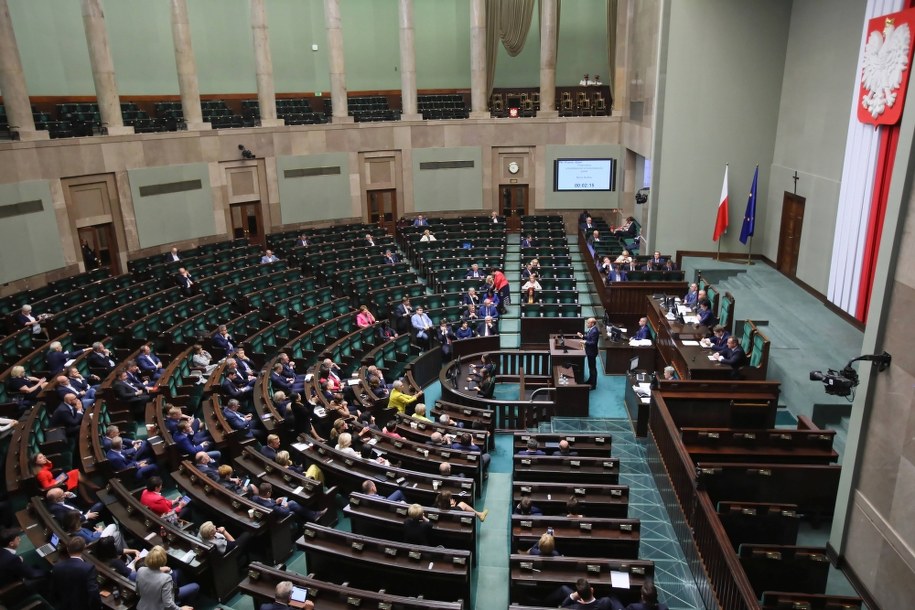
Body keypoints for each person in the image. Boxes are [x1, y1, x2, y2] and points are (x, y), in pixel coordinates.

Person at [135, 545, 197, 610]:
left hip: (142, 607)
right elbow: (168, 605)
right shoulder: (166, 578)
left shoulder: (140, 570)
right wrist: (181, 609)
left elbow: (138, 592)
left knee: (178, 572)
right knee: (195, 586)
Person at [50, 536, 101, 610]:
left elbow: (53, 591)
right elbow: (93, 594)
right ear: (84, 548)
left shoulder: (57, 567)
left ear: (67, 549)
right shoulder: (88, 568)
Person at [578, 317, 600, 390]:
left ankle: (593, 385)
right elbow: (589, 337)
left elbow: (593, 343)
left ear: (592, 323)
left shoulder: (594, 331)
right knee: (591, 368)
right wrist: (582, 336)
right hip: (590, 351)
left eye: (588, 323)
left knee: (593, 369)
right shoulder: (592, 329)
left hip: (592, 352)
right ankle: (590, 380)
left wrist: (585, 342)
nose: (587, 324)